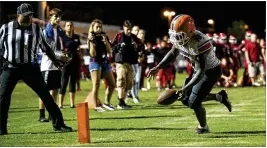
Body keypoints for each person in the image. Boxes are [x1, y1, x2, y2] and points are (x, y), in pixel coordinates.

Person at [147, 14, 232, 134]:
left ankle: (203, 127)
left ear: (190, 31)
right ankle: (219, 97)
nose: (176, 38)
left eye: (179, 35)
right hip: (197, 70)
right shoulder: (183, 37)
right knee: (185, 99)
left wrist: (184, 88)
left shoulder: (201, 41)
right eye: (175, 35)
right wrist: (158, 66)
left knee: (193, 102)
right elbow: (173, 52)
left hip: (210, 72)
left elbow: (201, 72)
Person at [0, 3, 72, 135]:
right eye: (25, 16)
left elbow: (46, 48)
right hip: (10, 67)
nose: (29, 18)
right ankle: (1, 128)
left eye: (30, 16)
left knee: (46, 95)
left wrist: (56, 61)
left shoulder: (36, 29)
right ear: (18, 15)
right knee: (3, 97)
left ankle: (58, 124)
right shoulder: (6, 28)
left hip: (29, 68)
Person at [39, 8, 64, 122]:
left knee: (55, 90)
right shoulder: (46, 31)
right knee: (44, 91)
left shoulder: (58, 31)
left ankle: (52, 113)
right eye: (56, 16)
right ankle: (42, 114)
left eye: (59, 17)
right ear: (50, 18)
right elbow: (46, 50)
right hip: (47, 65)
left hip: (56, 65)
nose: (58, 19)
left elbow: (57, 49)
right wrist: (57, 60)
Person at [86, 19, 116, 112]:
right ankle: (96, 106)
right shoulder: (91, 38)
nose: (99, 29)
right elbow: (93, 54)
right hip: (95, 62)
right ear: (93, 28)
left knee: (112, 84)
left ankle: (107, 103)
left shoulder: (103, 36)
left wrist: (105, 40)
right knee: (96, 84)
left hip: (105, 62)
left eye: (100, 27)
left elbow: (109, 50)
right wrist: (92, 42)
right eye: (97, 27)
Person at [111, 20, 141, 109]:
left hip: (130, 62)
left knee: (129, 83)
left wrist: (137, 47)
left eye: (130, 29)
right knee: (121, 80)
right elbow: (112, 47)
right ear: (124, 27)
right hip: (121, 62)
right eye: (127, 28)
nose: (128, 30)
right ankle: (120, 102)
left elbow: (141, 46)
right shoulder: (119, 36)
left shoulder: (134, 37)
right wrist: (119, 46)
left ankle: (122, 100)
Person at [58, 21, 81, 109]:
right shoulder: (62, 37)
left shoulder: (76, 37)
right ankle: (60, 104)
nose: (69, 27)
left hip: (75, 62)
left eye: (71, 25)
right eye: (67, 25)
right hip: (66, 63)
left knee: (73, 83)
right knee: (64, 82)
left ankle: (72, 104)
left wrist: (79, 52)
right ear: (65, 27)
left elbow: (78, 48)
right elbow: (61, 49)